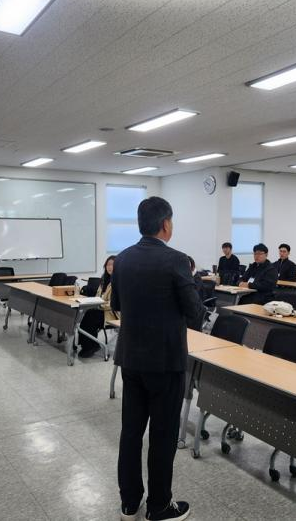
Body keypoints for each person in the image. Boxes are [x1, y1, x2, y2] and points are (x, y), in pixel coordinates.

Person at [112, 196, 204, 521]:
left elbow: (116, 305)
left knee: (131, 432)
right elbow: (195, 312)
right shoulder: (176, 260)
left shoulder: (122, 258)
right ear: (166, 224)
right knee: (163, 436)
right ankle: (160, 506)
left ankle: (129, 502)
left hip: (131, 359)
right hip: (165, 362)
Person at [77, 255, 117, 358]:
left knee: (91, 316)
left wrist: (100, 306)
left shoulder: (119, 281)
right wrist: (93, 303)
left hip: (112, 313)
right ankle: (87, 345)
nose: (110, 267)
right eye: (108, 264)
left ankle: (91, 346)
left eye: (112, 264)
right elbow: (98, 297)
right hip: (101, 309)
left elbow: (115, 303)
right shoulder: (104, 281)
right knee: (88, 315)